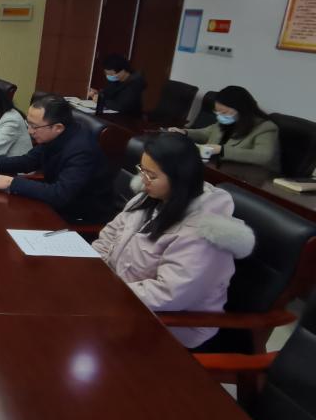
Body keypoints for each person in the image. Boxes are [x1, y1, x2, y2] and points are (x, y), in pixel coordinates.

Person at [92, 134, 255, 348]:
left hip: (169, 324)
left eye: (151, 175)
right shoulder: (149, 198)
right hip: (123, 301)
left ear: (180, 178)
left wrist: (108, 292)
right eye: (142, 170)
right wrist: (94, 273)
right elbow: (110, 235)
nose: (143, 179)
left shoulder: (202, 233)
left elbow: (169, 294)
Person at [0, 95, 114, 223]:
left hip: (78, 216)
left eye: (34, 127)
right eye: (28, 124)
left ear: (58, 127)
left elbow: (60, 194)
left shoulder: (82, 151)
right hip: (53, 205)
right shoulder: (55, 136)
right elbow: (28, 161)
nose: (29, 131)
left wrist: (12, 182)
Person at [175, 85, 280, 171]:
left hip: (244, 176)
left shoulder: (266, 127)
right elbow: (206, 133)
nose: (220, 116)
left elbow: (263, 156)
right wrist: (184, 132)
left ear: (242, 110)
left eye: (224, 112)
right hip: (214, 168)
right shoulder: (228, 121)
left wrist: (222, 150)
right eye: (217, 111)